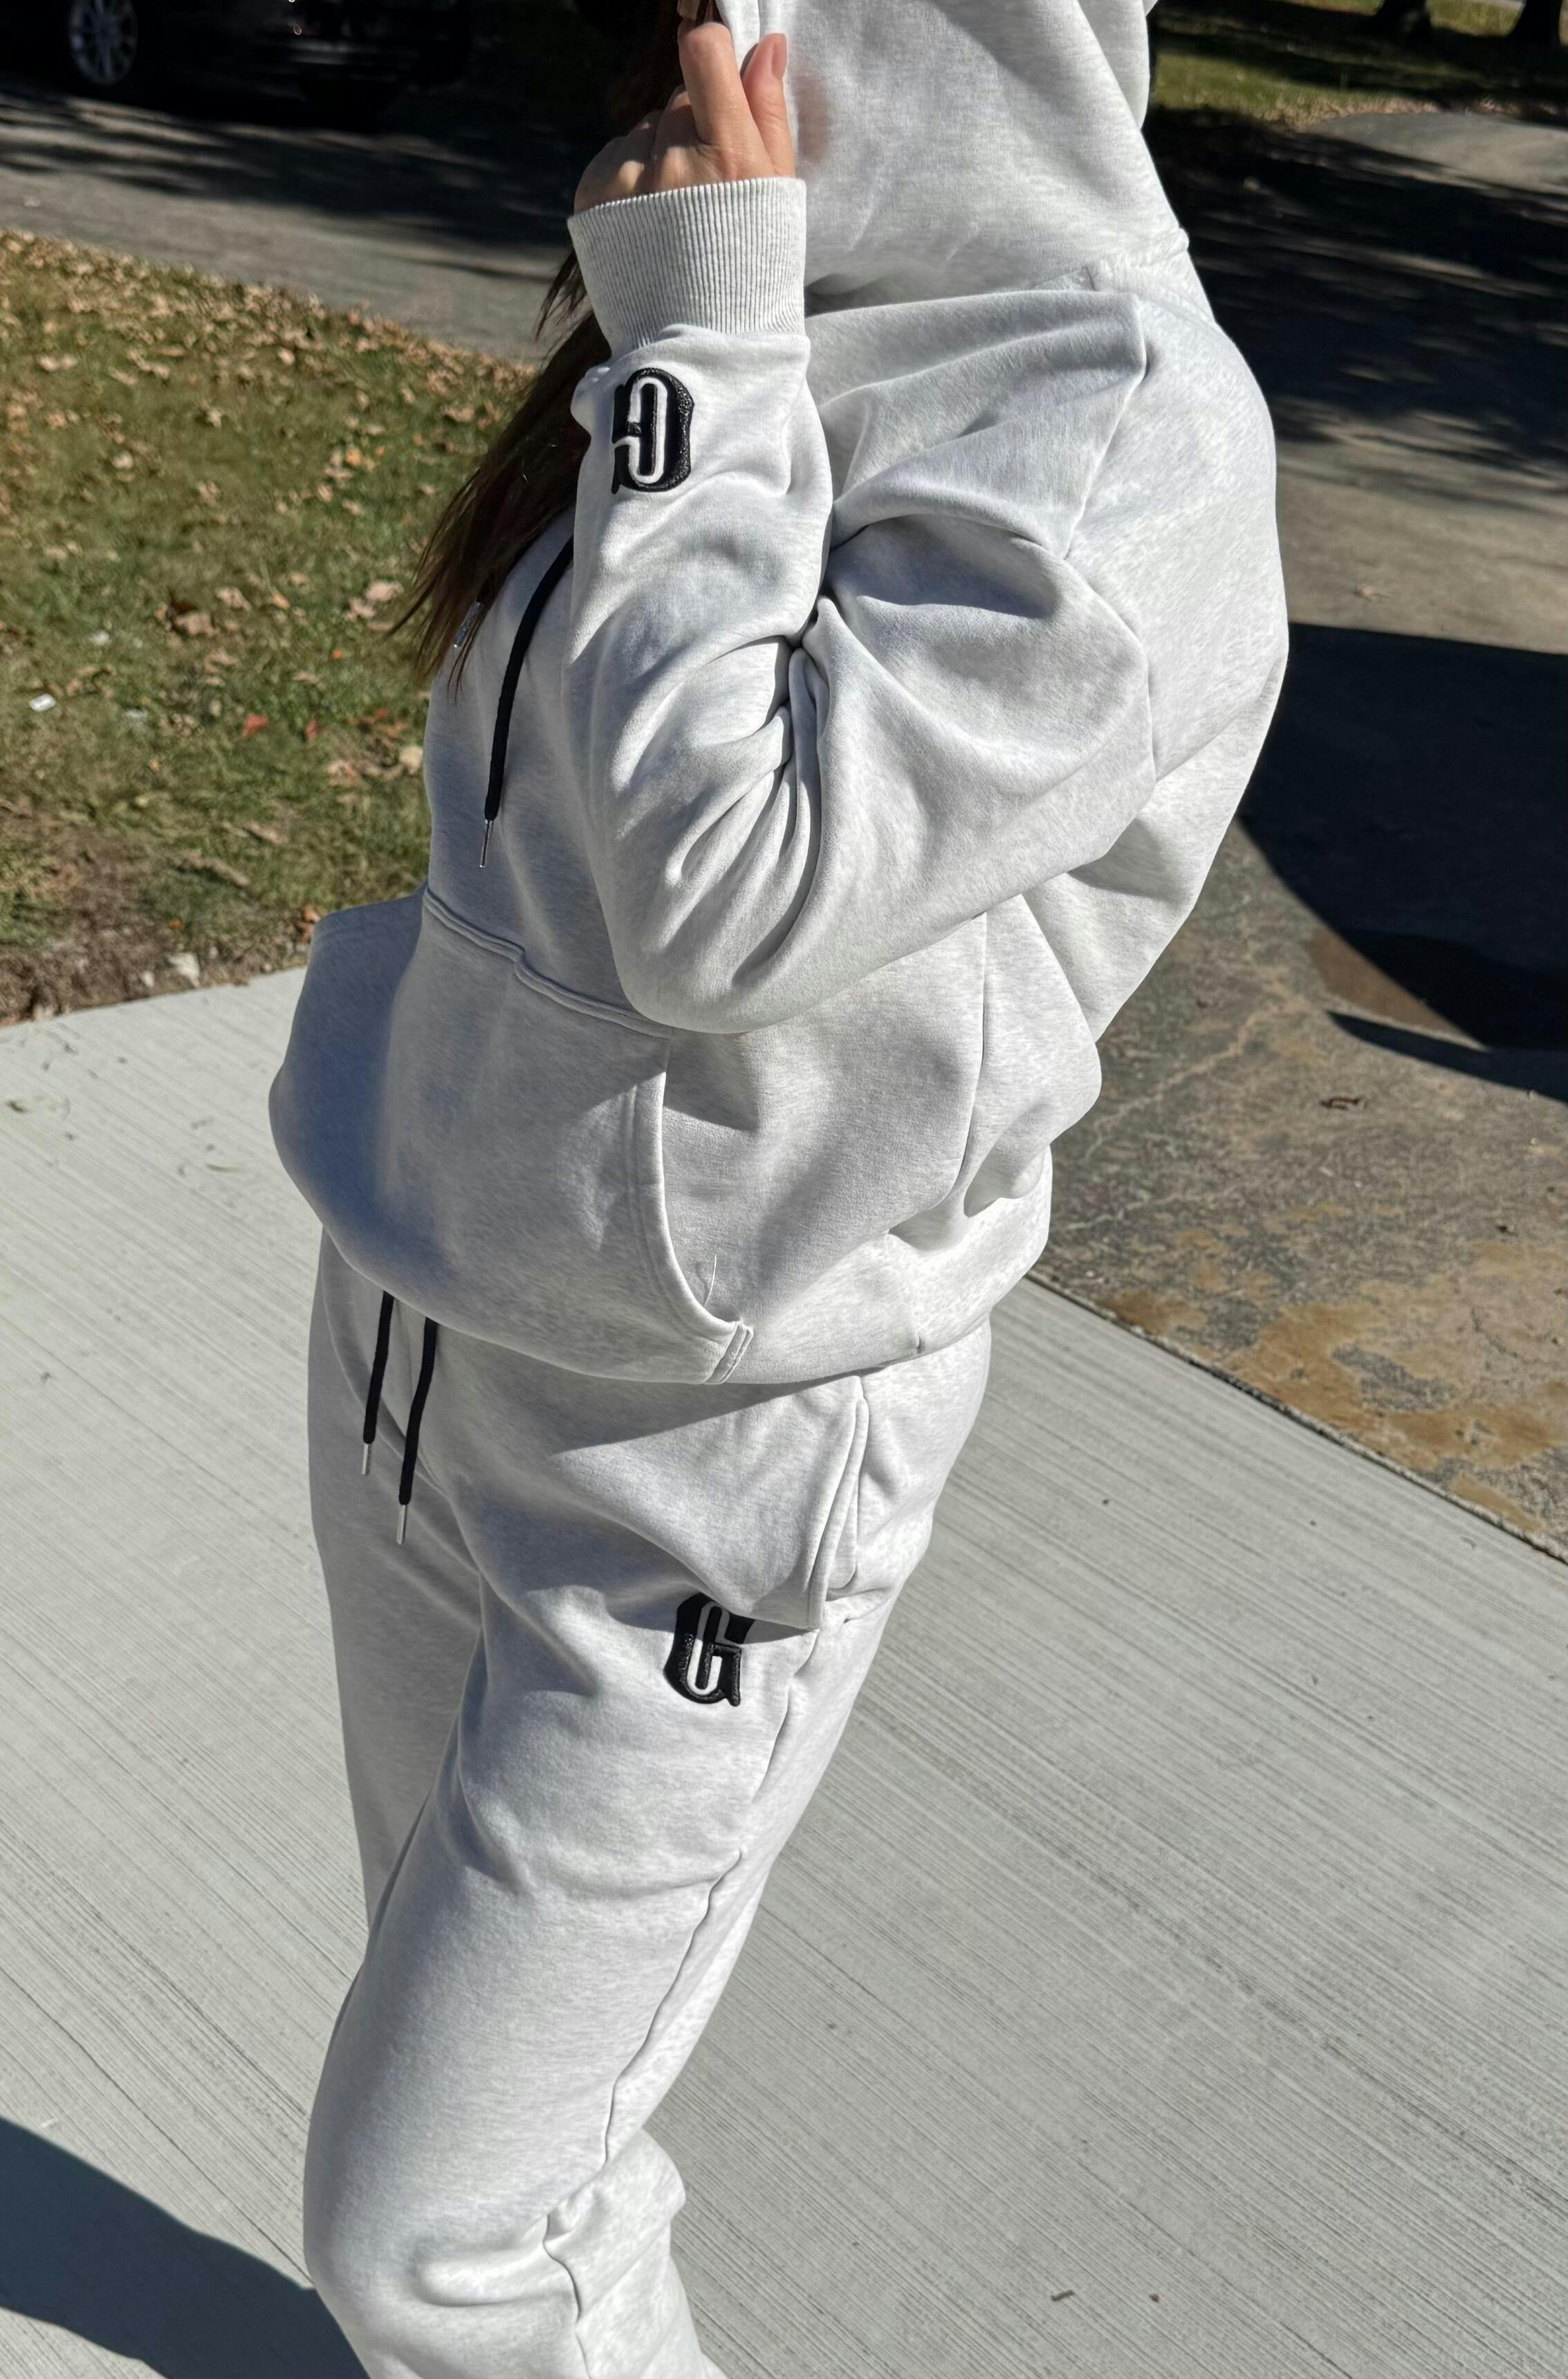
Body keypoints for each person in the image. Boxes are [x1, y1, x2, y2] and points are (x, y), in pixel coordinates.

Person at [267, 1, 1287, 2371]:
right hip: (424, 1320)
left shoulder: (1124, 428)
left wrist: (700, 352)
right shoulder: (769, 291)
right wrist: (710, 337)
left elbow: (726, 897)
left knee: (438, 2239)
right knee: (510, 2138)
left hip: (705, 1449)